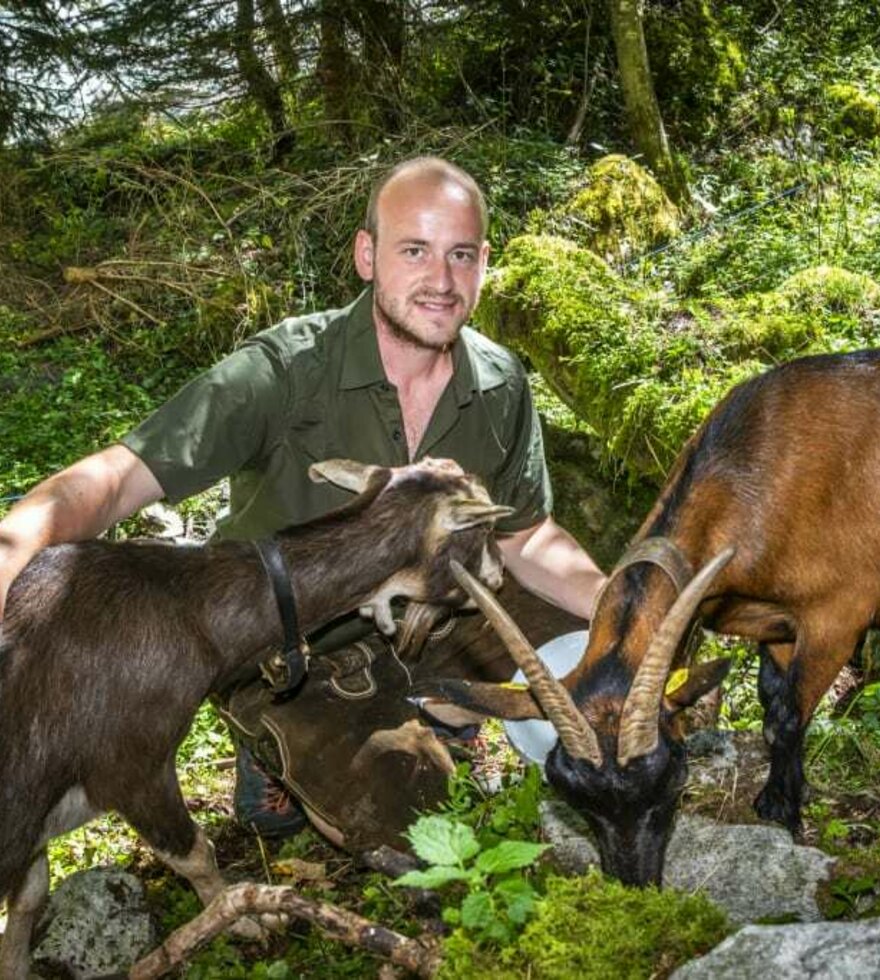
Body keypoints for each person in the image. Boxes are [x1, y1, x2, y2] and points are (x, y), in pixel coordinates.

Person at [0, 156, 606, 838]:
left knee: (604, 682)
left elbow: (524, 536)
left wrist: (626, 609)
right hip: (295, 652)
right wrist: (11, 556)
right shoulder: (283, 372)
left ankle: (441, 707)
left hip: (436, 610)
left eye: (460, 255)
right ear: (367, 254)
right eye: (415, 251)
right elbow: (118, 478)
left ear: (484, 261)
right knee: (414, 820)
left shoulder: (498, 382)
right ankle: (276, 738)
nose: (441, 281)